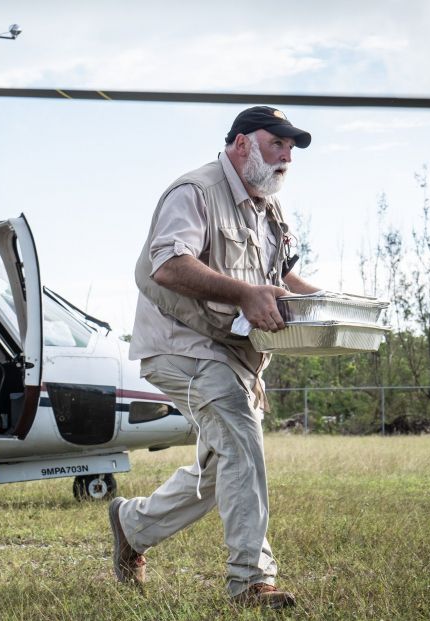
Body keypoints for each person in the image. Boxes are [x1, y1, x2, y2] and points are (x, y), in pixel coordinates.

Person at [109, 107, 321, 609]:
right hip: (180, 346)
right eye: (278, 144)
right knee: (242, 443)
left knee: (219, 465)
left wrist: (337, 308)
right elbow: (168, 265)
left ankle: (130, 525)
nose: (287, 157)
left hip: (234, 355)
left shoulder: (268, 209)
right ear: (242, 143)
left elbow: (282, 279)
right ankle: (251, 579)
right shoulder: (195, 191)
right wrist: (246, 294)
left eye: (292, 149)